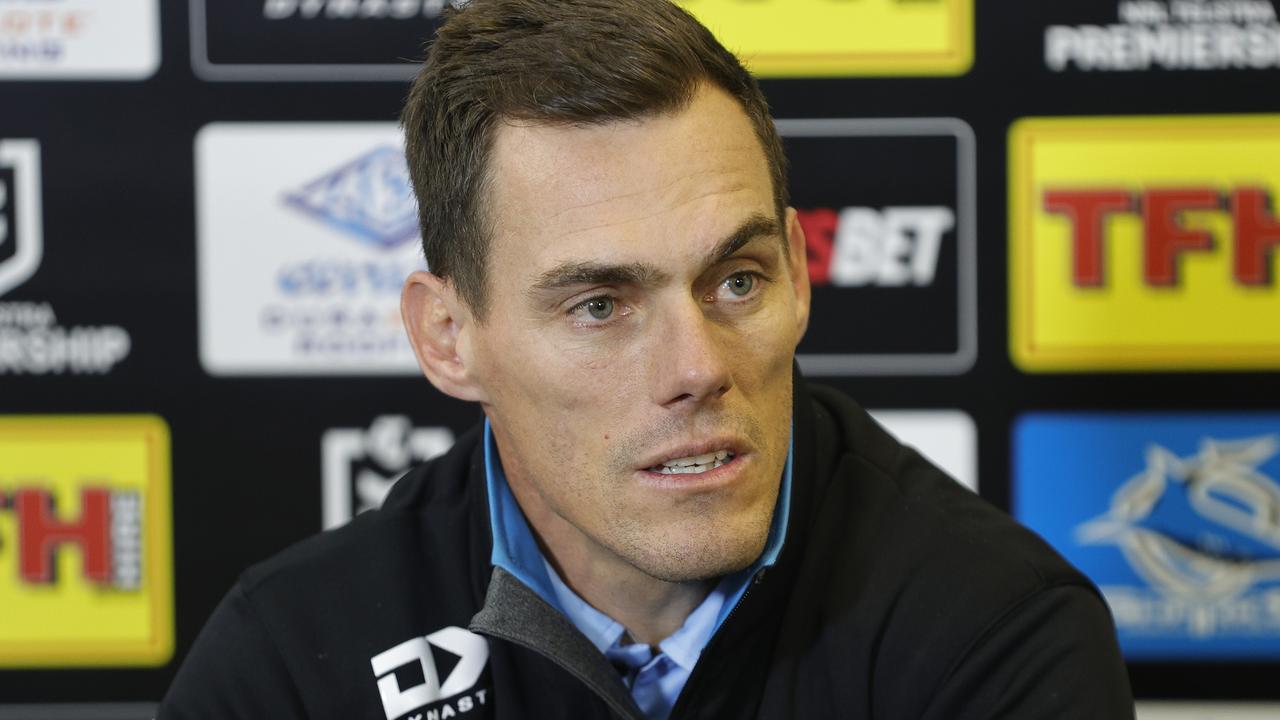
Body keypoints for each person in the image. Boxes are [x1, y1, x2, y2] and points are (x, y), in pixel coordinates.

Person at [159, 0, 1135, 717]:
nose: (695, 366)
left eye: (736, 281)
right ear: (447, 338)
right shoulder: (290, 667)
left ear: (799, 274)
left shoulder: (993, 638)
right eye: (598, 305)